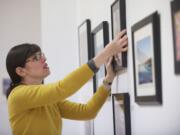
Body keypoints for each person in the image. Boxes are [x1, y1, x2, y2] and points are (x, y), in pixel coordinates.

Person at [6, 30, 128, 135]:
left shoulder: (48, 101)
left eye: (41, 55)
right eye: (36, 57)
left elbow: (87, 112)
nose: (44, 59)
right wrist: (106, 53)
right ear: (21, 71)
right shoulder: (17, 96)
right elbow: (62, 88)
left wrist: (108, 80)